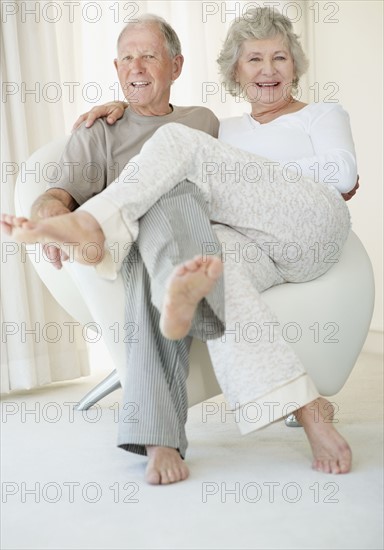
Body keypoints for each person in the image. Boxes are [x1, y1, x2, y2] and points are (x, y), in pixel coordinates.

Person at [3, 8, 357, 478]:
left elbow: (343, 173)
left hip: (311, 228)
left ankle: (98, 224)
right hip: (246, 245)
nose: (267, 70)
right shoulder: (221, 128)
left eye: (279, 58)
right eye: (253, 60)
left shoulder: (296, 117)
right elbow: (59, 189)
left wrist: (243, 173)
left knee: (178, 149)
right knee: (212, 270)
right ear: (236, 71)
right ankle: (307, 409)